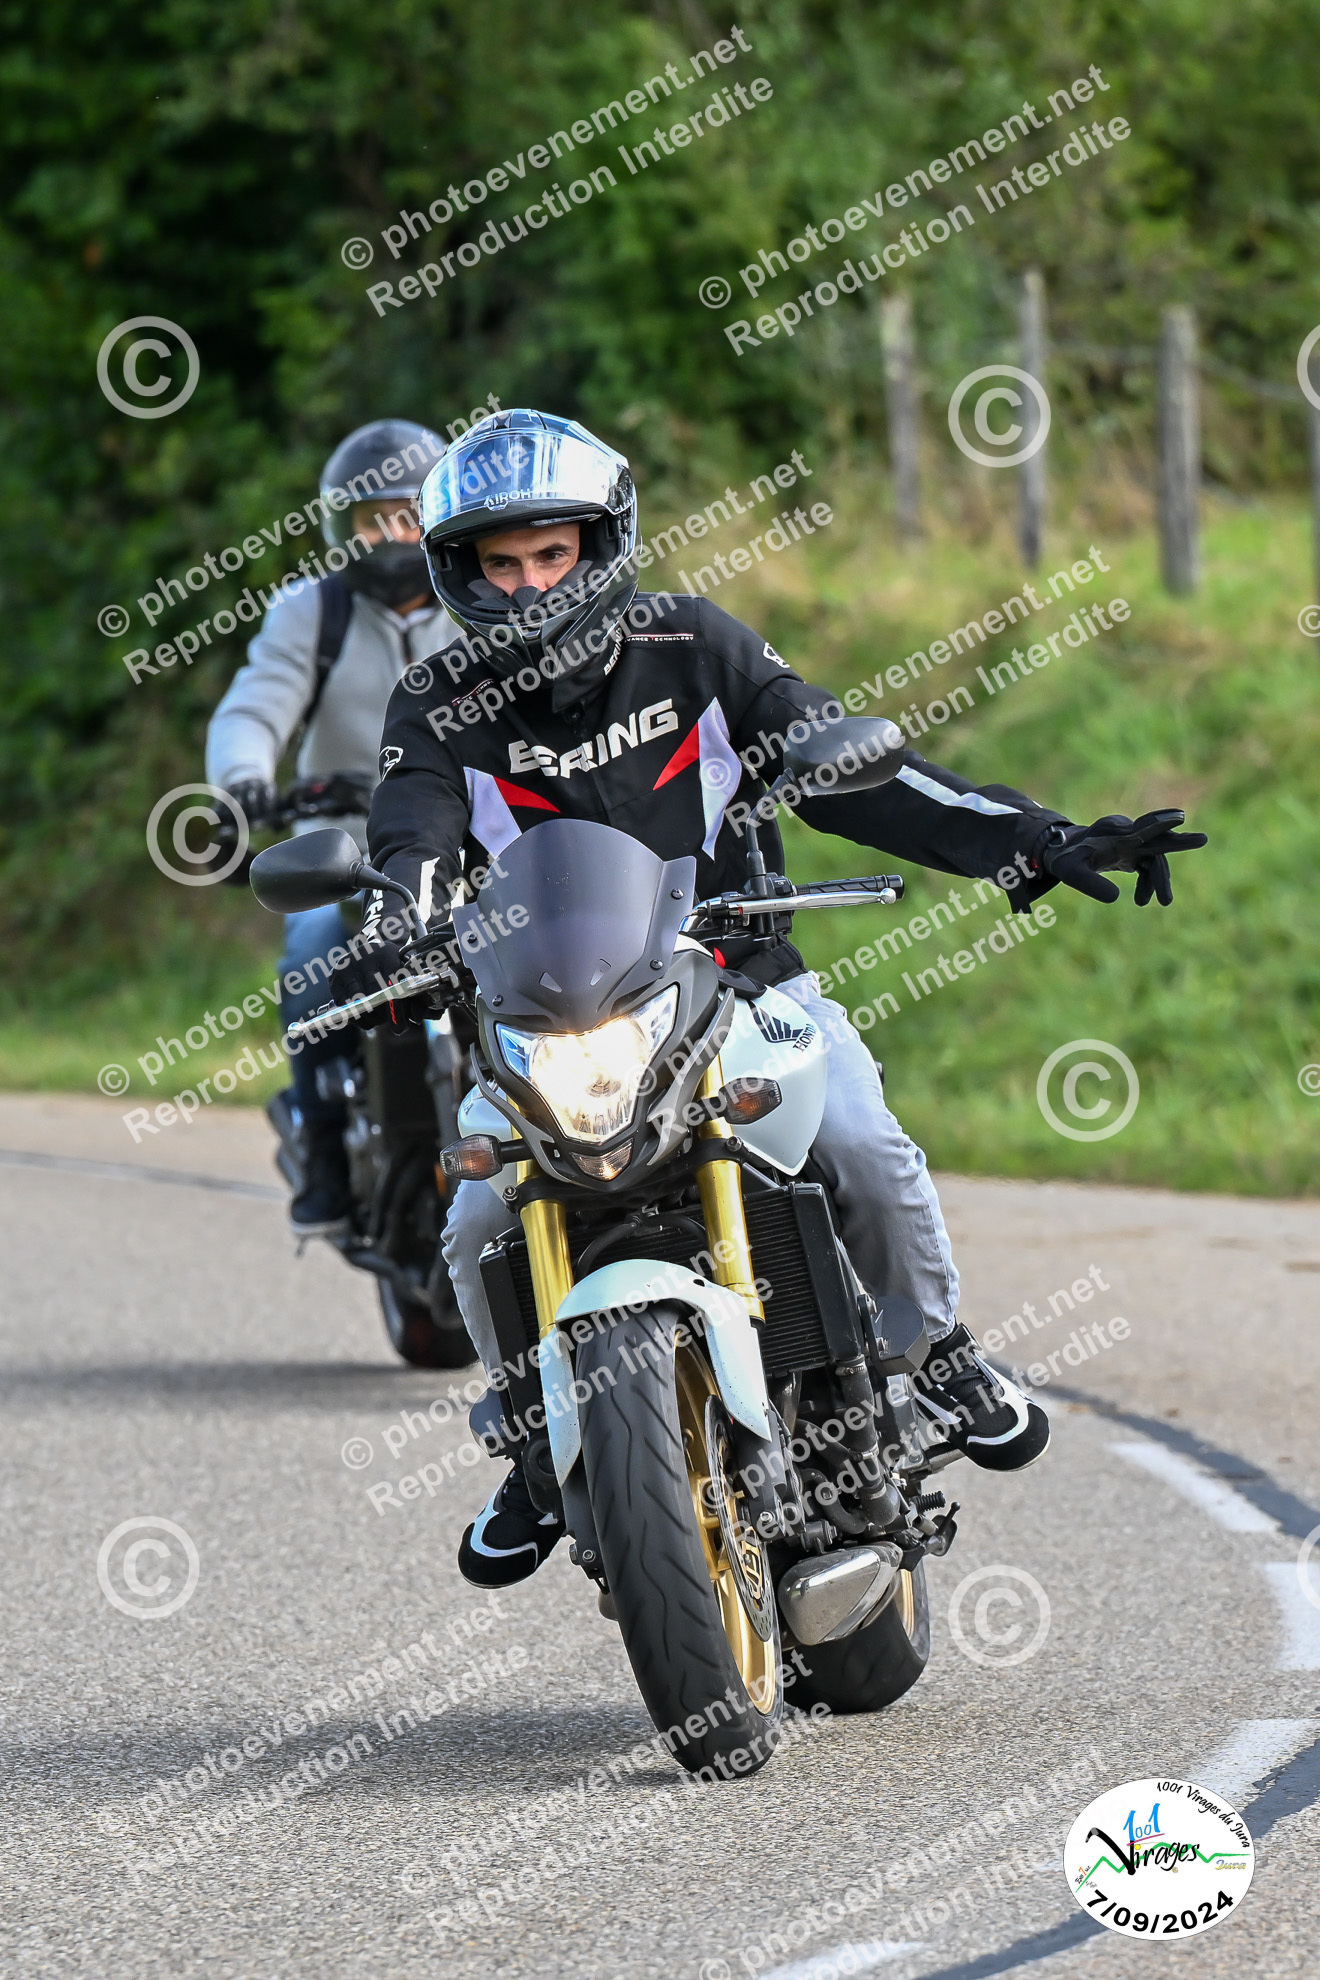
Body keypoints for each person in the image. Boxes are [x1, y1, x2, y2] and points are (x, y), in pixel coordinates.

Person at [330, 408, 1206, 1586]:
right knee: (479, 1222)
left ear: (602, 544)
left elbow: (851, 771)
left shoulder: (696, 644)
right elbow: (413, 838)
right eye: (503, 562)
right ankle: (539, 1446)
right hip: (543, 1027)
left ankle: (936, 1348)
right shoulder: (437, 701)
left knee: (860, 1144)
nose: (533, 584)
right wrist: (395, 928)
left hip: (740, 986)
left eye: (553, 553)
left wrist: (1037, 840)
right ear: (459, 572)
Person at [205, 419, 459, 1228]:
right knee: (314, 953)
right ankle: (322, 1144)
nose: (392, 535)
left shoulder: (481, 598)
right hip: (347, 851)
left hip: (473, 845)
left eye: (408, 516)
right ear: (340, 527)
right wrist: (243, 781)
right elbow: (255, 704)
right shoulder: (312, 611)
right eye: (371, 519)